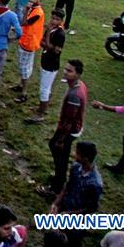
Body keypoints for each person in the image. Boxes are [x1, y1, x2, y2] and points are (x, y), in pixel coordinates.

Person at [38, 59, 87, 197]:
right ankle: (60, 177)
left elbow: (69, 121)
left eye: (69, 71)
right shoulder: (79, 85)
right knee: (62, 155)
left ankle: (57, 187)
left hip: (69, 130)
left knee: (58, 152)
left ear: (77, 74)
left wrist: (61, 139)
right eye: (65, 69)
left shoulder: (74, 95)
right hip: (72, 128)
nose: (65, 72)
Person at [49, 141, 103, 247]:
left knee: (72, 242)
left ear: (85, 159)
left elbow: (92, 208)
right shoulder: (75, 167)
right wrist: (56, 203)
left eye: (77, 153)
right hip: (64, 209)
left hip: (77, 220)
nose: (74, 154)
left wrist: (69, 214)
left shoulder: (95, 184)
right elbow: (67, 186)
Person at [26, 8, 68, 124]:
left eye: (57, 19)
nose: (53, 21)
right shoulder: (53, 30)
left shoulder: (60, 34)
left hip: (51, 64)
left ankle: (41, 113)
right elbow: (42, 42)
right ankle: (42, 107)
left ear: (61, 21)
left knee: (44, 89)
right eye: (53, 18)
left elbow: (50, 47)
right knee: (45, 87)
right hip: (45, 60)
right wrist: (47, 42)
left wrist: (48, 34)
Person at [13, 0, 44, 103]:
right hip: (25, 40)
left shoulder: (37, 12)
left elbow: (24, 22)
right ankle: (20, 85)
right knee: (23, 66)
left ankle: (24, 93)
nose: (31, 0)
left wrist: (26, 10)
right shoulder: (33, 9)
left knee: (25, 69)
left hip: (29, 43)